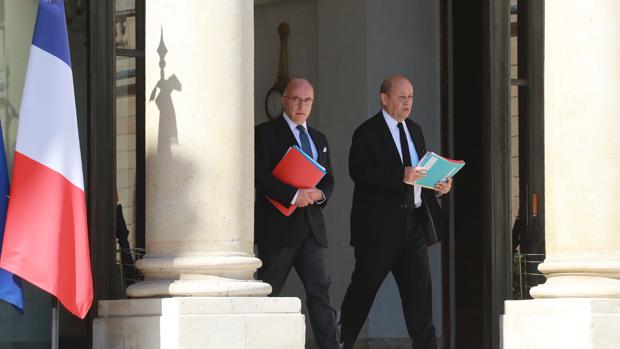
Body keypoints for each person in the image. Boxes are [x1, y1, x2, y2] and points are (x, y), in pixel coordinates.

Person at [339, 75, 452, 349]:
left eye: (411, 97)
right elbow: (359, 172)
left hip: (412, 227)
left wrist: (437, 186)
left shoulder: (414, 130)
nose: (408, 102)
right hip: (379, 230)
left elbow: (418, 175)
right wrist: (399, 174)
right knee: (362, 294)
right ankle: (340, 343)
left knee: (420, 301)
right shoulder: (366, 132)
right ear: (384, 98)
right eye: (402, 97)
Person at [255, 78, 339, 349]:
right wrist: (293, 195)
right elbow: (259, 176)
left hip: (312, 229)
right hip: (278, 229)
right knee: (268, 292)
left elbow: (328, 180)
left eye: (308, 101)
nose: (302, 105)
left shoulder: (319, 139)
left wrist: (318, 195)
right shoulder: (265, 133)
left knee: (320, 295)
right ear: (284, 100)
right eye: (296, 100)